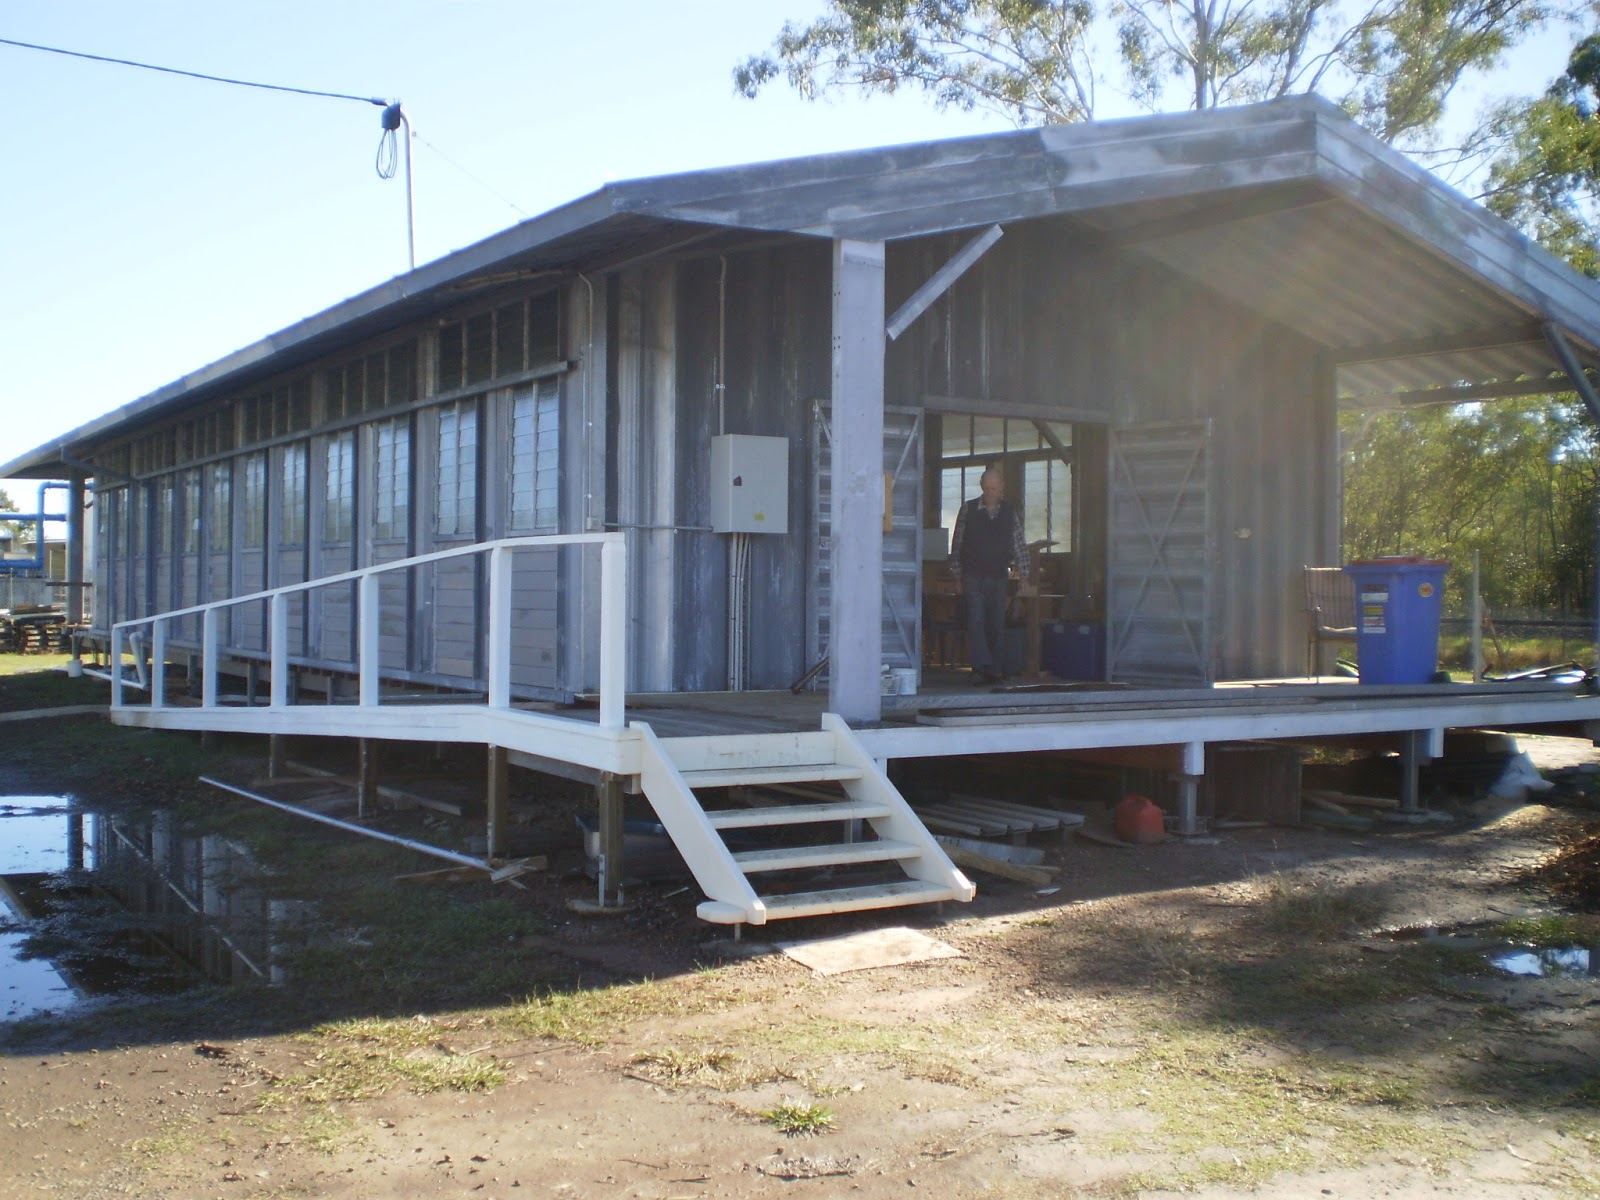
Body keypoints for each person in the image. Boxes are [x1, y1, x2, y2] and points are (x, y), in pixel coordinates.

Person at [949, 467, 1032, 685]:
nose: (990, 493)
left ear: (1001, 487)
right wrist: (957, 577)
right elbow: (956, 545)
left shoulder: (1008, 512)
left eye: (994, 488)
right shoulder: (968, 510)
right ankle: (979, 668)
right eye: (987, 488)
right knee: (976, 620)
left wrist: (1024, 575)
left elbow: (1018, 544)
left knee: (996, 622)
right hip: (972, 574)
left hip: (998, 574)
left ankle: (995, 668)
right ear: (981, 487)